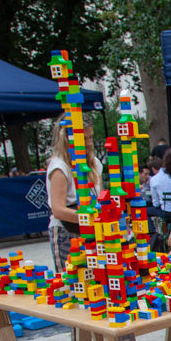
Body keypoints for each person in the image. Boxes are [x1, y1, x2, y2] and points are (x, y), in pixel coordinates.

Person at [45, 116, 102, 272]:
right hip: (67, 231)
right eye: (84, 138)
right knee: (72, 279)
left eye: (90, 137)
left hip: (91, 229)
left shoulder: (95, 163)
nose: (89, 143)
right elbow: (58, 210)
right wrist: (92, 217)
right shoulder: (59, 167)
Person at [148, 156, 171, 227]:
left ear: (153, 168)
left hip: (165, 212)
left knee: (144, 211)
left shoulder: (154, 179)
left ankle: (152, 233)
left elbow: (156, 203)